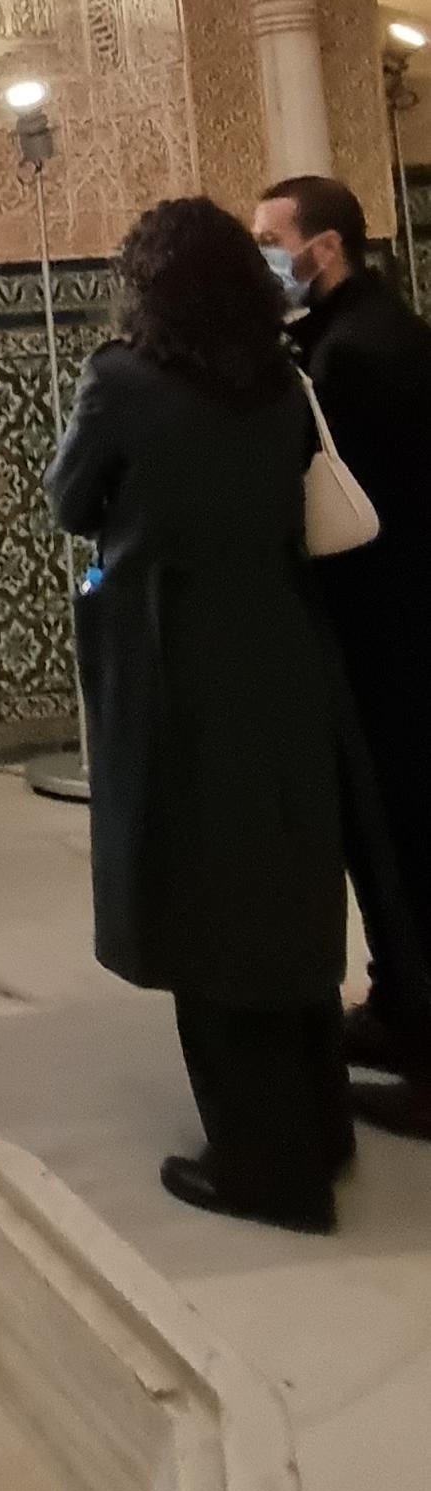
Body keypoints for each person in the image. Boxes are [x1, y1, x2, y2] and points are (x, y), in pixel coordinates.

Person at [50, 197, 355, 1232]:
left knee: (203, 898)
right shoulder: (281, 379)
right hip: (283, 644)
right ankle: (321, 1125)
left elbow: (70, 501)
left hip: (174, 658)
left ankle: (268, 1170)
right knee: (284, 878)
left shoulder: (122, 381)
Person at [253, 173, 431, 1126]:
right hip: (381, 631)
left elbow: (357, 512)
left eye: (271, 239)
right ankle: (400, 1006)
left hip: (391, 635)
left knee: (406, 837)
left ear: (323, 247)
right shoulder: (349, 333)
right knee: (381, 834)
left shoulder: (360, 350)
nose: (265, 258)